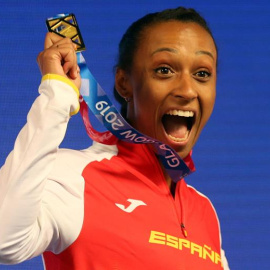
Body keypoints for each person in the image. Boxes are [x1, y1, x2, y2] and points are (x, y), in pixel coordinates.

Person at [0, 6, 230, 270]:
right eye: (165, 70)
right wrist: (58, 96)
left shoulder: (204, 211)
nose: (188, 90)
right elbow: (4, 240)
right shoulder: (75, 176)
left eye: (202, 74)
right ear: (124, 83)